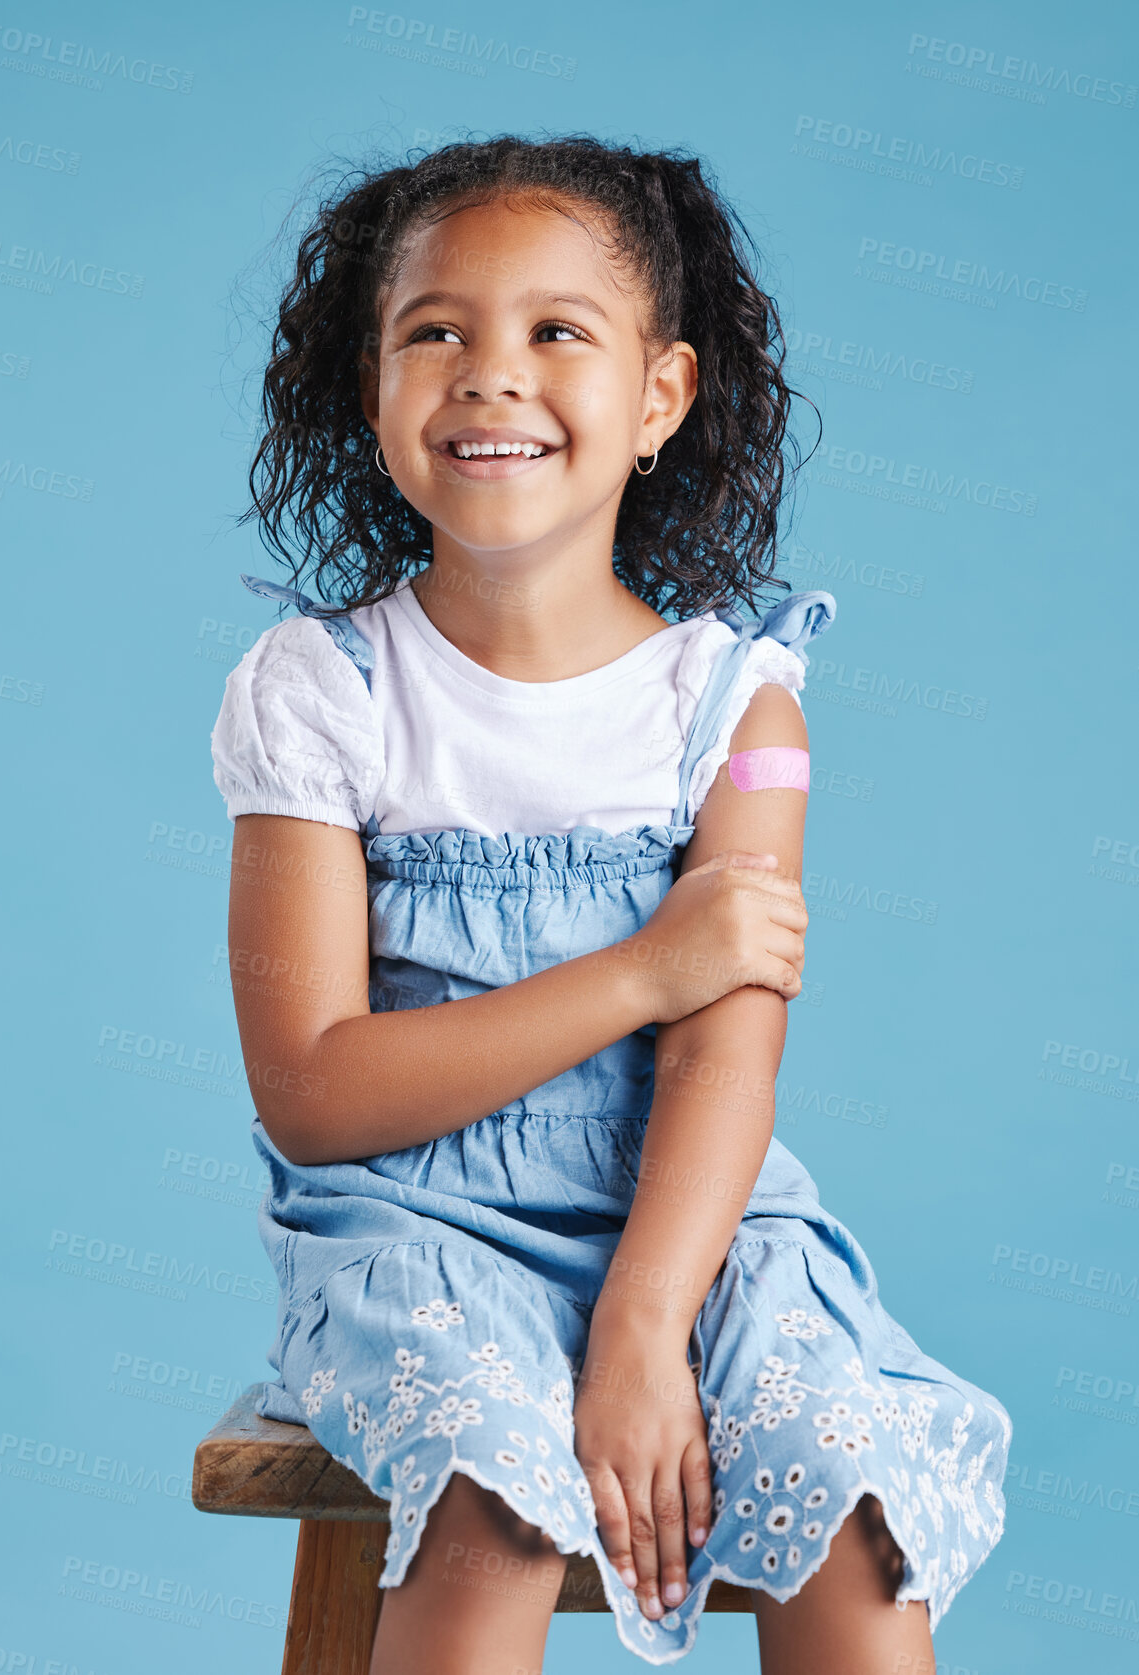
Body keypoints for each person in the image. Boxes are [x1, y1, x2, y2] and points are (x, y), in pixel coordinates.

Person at [209, 134, 1011, 1674]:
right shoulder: (322, 696)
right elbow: (315, 1092)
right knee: (493, 1506)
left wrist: (646, 1325)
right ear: (365, 389)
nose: (489, 376)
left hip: (699, 1217)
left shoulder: (736, 710)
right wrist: (645, 968)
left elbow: (725, 1063)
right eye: (432, 331)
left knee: (845, 1505)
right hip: (414, 1226)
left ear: (659, 395)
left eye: (554, 333)